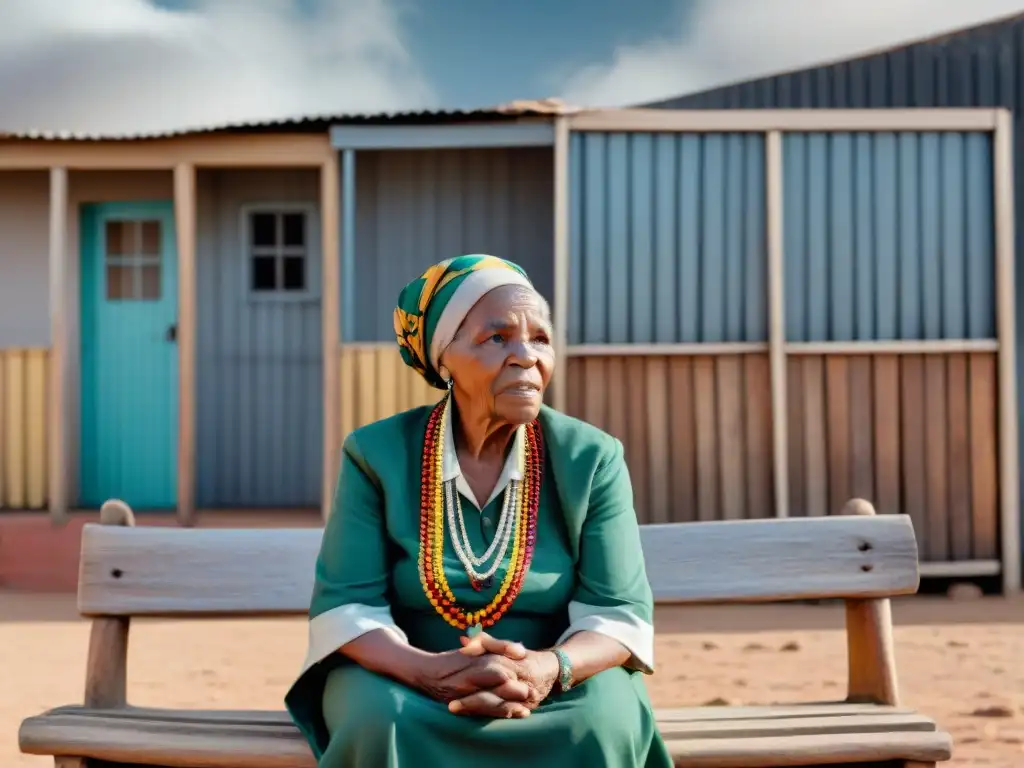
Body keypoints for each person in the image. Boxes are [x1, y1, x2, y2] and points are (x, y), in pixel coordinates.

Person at [285, 255, 672, 767]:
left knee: (604, 719)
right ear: (445, 359)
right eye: (498, 338)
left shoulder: (590, 458)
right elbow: (346, 606)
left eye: (540, 338)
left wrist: (547, 669)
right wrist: (428, 671)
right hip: (405, 676)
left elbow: (619, 611)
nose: (526, 356)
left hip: (555, 679)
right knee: (377, 718)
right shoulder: (376, 453)